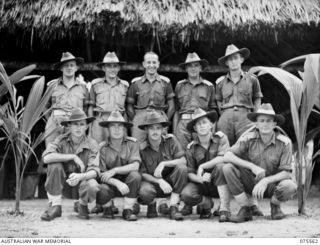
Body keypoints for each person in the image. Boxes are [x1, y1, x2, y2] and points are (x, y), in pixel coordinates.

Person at [223, 103, 297, 222]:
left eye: (268, 121)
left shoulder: (285, 143)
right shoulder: (248, 138)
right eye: (261, 121)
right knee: (227, 168)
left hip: (272, 185)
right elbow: (227, 155)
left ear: (275, 124)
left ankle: (275, 205)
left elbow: (287, 173)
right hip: (251, 182)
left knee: (290, 186)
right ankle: (245, 208)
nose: (265, 124)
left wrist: (265, 180)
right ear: (256, 124)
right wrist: (252, 166)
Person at [40, 108, 99, 221]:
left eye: (82, 124)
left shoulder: (92, 144)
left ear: (86, 127)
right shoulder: (61, 140)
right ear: (69, 126)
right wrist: (73, 157)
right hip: (63, 184)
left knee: (93, 185)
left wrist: (81, 176)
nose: (78, 127)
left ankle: (82, 205)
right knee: (54, 165)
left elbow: (95, 171)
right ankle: (55, 206)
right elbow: (46, 158)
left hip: (82, 183)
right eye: (75, 124)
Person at [180, 108, 231, 221]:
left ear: (211, 125)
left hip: (220, 182)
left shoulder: (221, 138)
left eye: (204, 122)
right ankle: (207, 205)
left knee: (221, 166)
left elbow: (224, 157)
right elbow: (190, 172)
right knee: (186, 194)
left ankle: (224, 208)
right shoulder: (191, 148)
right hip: (203, 184)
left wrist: (203, 166)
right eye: (198, 124)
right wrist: (199, 179)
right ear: (194, 128)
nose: (202, 126)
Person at [137, 110, 188, 221]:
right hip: (153, 183)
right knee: (144, 191)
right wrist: (159, 181)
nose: (155, 132)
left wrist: (164, 163)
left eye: (158, 128)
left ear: (163, 129)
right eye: (152, 128)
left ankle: (173, 206)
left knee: (182, 169)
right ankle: (152, 203)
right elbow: (142, 173)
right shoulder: (141, 148)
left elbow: (183, 161)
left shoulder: (171, 140)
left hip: (170, 182)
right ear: (146, 130)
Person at [96, 111, 142, 221]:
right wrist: (117, 182)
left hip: (128, 185)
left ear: (124, 128)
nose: (116, 129)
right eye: (113, 126)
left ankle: (128, 209)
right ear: (108, 129)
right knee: (100, 188)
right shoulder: (102, 148)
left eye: (120, 126)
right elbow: (101, 174)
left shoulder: (132, 143)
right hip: (110, 184)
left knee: (135, 176)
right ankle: (107, 207)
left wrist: (115, 170)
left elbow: (135, 166)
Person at [216, 44, 263, 146]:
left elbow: (257, 99)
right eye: (230, 59)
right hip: (226, 119)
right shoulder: (220, 82)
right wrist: (225, 115)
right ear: (226, 63)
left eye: (236, 58)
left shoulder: (252, 79)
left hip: (245, 118)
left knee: (246, 148)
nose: (233, 61)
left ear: (241, 59)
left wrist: (256, 118)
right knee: (224, 149)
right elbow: (218, 101)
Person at [126, 51, 175, 143]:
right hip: (140, 119)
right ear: (144, 64)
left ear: (158, 64)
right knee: (138, 146)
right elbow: (129, 106)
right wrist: (136, 120)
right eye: (148, 62)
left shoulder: (165, 83)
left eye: (154, 62)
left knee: (160, 146)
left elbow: (171, 107)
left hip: (159, 119)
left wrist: (165, 121)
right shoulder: (136, 83)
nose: (151, 65)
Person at [45, 52, 89, 146]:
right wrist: (52, 119)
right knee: (52, 153)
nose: (69, 68)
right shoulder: (52, 85)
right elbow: (45, 106)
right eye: (66, 65)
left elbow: (85, 107)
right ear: (61, 68)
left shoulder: (83, 87)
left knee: (75, 153)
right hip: (55, 124)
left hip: (75, 123)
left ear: (76, 68)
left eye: (72, 65)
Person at [174, 53, 217, 150]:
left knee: (202, 152)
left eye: (196, 65)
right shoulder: (179, 86)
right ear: (186, 68)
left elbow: (212, 111)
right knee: (182, 155)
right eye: (190, 66)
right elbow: (176, 111)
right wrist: (175, 131)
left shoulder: (209, 86)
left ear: (200, 68)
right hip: (183, 124)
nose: (193, 68)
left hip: (201, 123)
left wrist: (212, 130)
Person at [88, 52, 129, 143]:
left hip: (118, 121)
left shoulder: (125, 85)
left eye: (115, 66)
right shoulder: (95, 84)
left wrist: (125, 129)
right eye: (109, 66)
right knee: (97, 149)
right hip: (100, 120)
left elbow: (126, 109)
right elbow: (91, 107)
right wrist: (90, 128)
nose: (112, 69)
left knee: (117, 149)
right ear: (104, 68)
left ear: (118, 68)